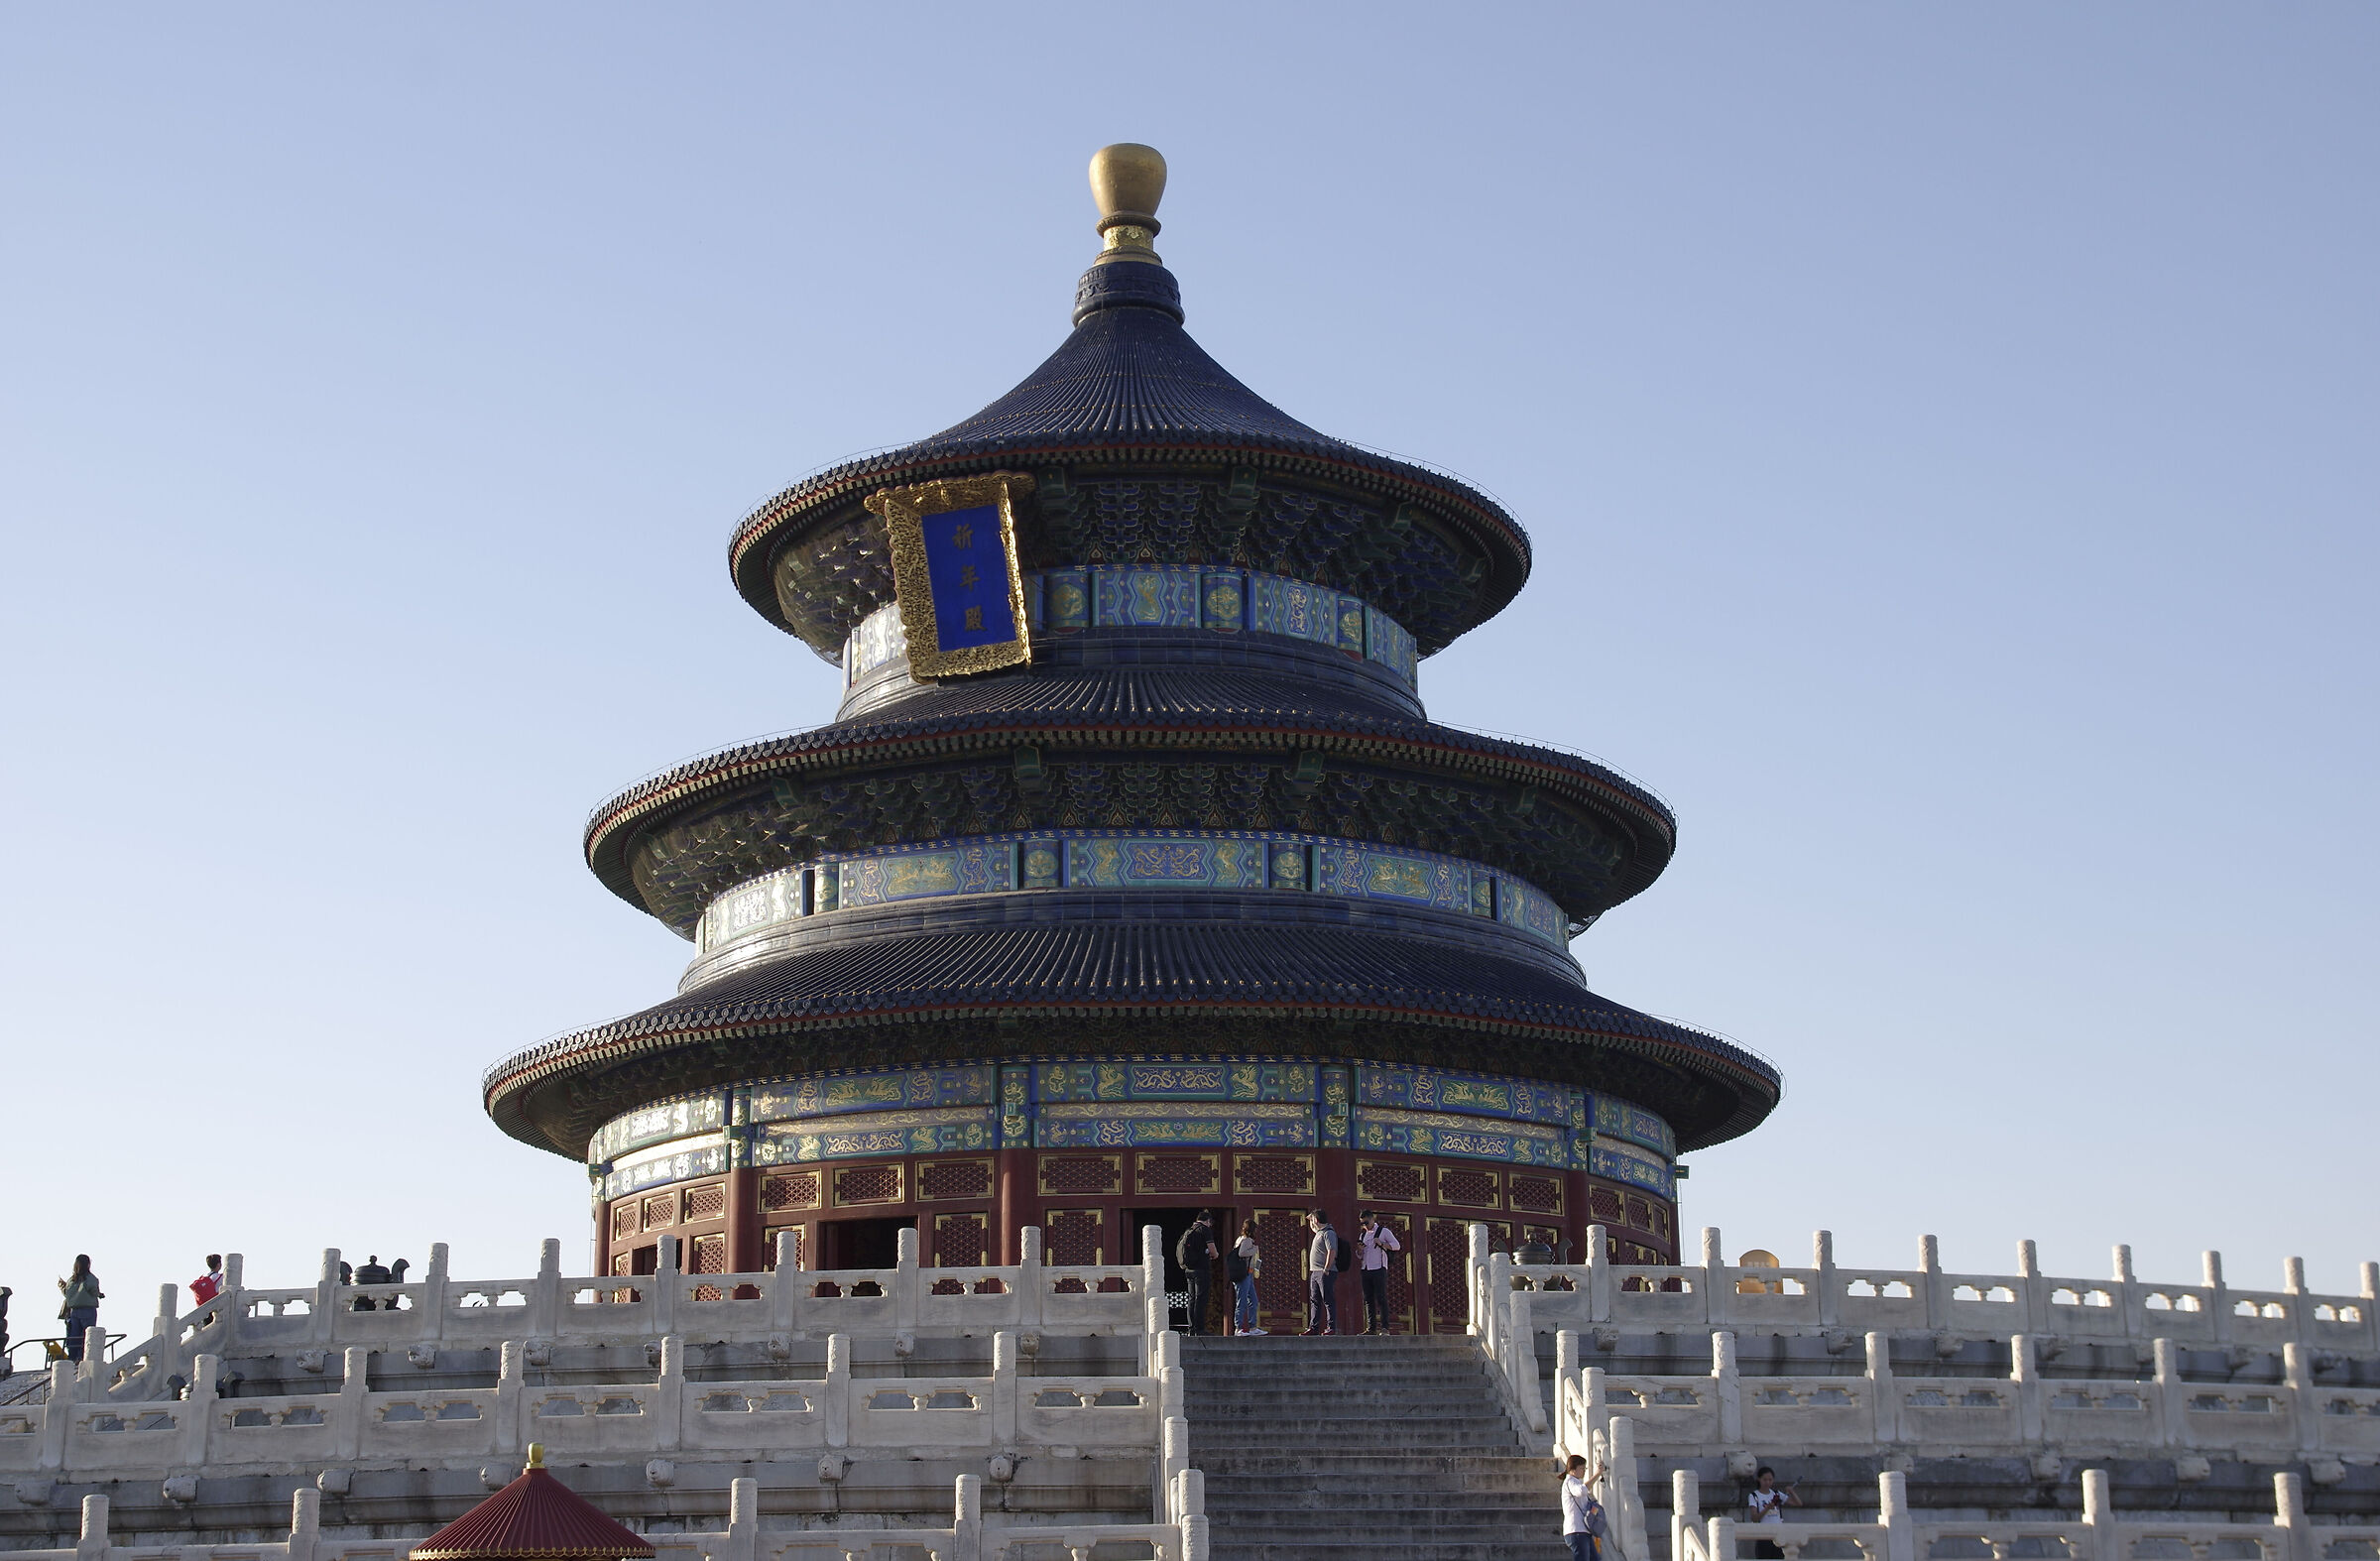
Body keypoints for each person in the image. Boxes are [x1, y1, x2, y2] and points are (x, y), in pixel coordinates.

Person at [1357, 1211, 1401, 1335]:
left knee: (1381, 1298)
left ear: (1372, 1219)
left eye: (1366, 1222)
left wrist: (1382, 1243)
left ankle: (1385, 1327)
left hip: (1379, 1268)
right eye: (1362, 1223)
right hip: (1366, 1269)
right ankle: (1371, 1328)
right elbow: (1360, 1256)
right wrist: (1359, 1250)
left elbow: (1397, 1245)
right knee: (1368, 1299)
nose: (1365, 1225)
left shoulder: (1383, 1231)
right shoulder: (1363, 1235)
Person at [1174, 1214, 1218, 1335]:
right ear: (1208, 1221)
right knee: (1200, 1299)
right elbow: (1213, 1251)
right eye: (1210, 1223)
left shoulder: (1189, 1230)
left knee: (1191, 1299)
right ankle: (1199, 1329)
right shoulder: (1204, 1229)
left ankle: (1191, 1328)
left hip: (1188, 1270)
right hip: (1201, 1270)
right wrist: (1215, 1254)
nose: (1210, 1225)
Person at [1746, 1466, 1801, 1558]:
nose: (1767, 1482)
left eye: (1770, 1480)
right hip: (1764, 1535)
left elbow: (1798, 1503)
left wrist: (1792, 1492)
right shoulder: (1754, 1496)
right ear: (1759, 1479)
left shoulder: (1776, 1494)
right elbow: (1754, 1518)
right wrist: (1767, 1508)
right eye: (1765, 1480)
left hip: (1778, 1534)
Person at [1560, 1452, 1606, 1561]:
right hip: (1576, 1531)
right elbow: (1582, 1491)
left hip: (1583, 1531)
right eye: (1582, 1468)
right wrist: (1598, 1473)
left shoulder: (1574, 1481)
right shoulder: (1570, 1481)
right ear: (1573, 1469)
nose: (1584, 1471)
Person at [1303, 1209, 1341, 1336]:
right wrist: (1311, 1218)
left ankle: (1331, 1326)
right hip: (1315, 1271)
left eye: (1313, 1220)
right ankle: (1314, 1327)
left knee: (1328, 1299)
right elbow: (1312, 1224)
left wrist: (1326, 1268)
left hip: (1325, 1271)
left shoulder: (1328, 1233)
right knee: (1314, 1300)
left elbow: (1332, 1251)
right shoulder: (1319, 1232)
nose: (1312, 1222)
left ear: (1317, 1220)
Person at [58, 1257, 102, 1364]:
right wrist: (100, 1295)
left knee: (74, 1336)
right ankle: (84, 1358)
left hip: (73, 1311)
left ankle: (73, 1358)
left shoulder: (71, 1280)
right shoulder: (90, 1278)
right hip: (87, 1309)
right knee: (87, 1335)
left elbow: (67, 1294)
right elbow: (93, 1290)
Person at [1229, 1218, 1264, 1336]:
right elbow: (1241, 1253)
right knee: (1242, 1301)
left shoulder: (1239, 1239)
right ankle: (1238, 1328)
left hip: (1245, 1273)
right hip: (1243, 1274)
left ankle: (1253, 1327)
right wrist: (1254, 1249)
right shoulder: (1247, 1240)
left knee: (1253, 1300)